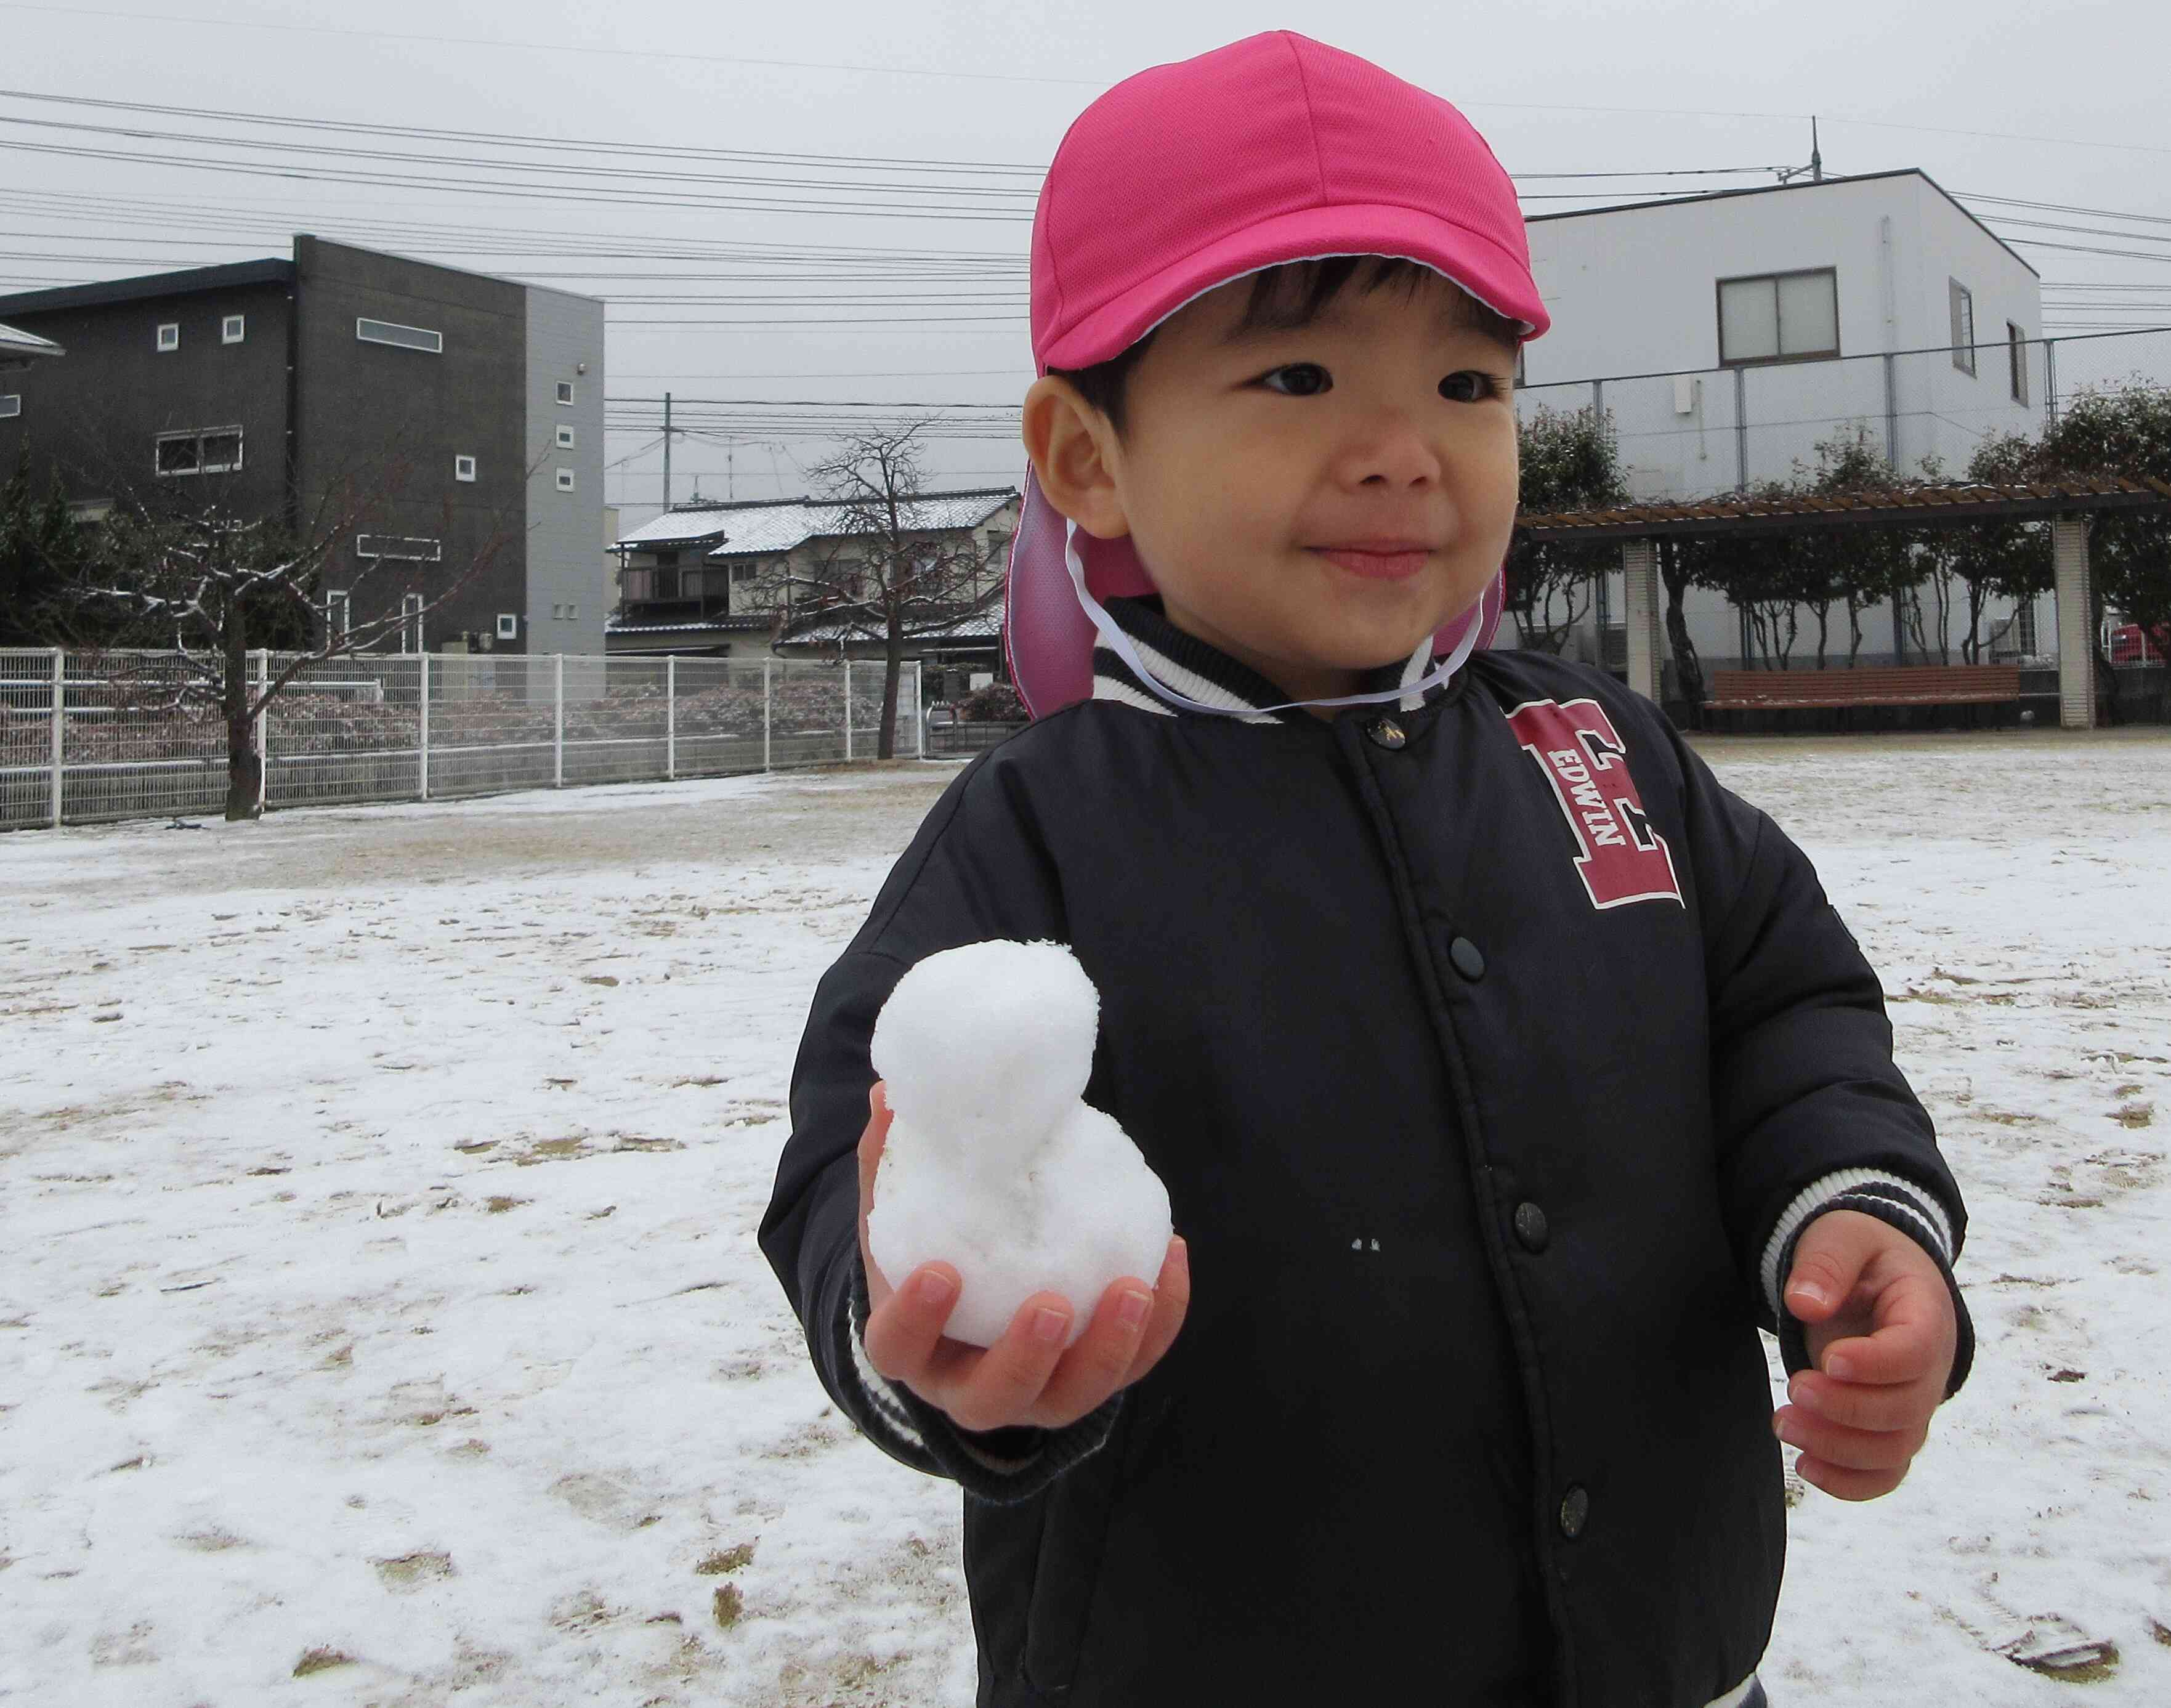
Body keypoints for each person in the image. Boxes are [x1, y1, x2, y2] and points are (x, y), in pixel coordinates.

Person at [759, 31, 1975, 1708]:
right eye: (1301, 380)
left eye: (1469, 388)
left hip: (1663, 1656)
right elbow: (861, 1146)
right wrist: (936, 1319)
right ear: (1089, 455)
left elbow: (1787, 1008)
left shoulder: (1595, 755)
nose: (1405, 449)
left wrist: (1852, 1210)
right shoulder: (1044, 828)